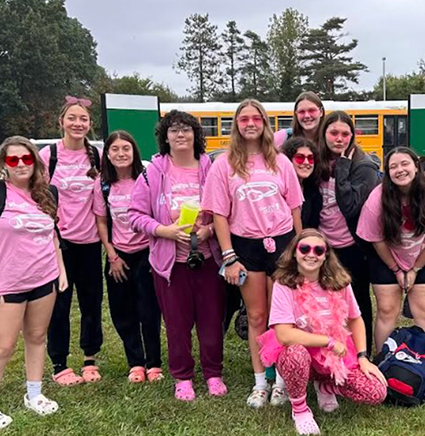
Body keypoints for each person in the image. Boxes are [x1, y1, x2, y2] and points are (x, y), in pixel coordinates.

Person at [0, 136, 68, 429]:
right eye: (13, 160)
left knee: (37, 337)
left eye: (26, 159)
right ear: (3, 164)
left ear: (35, 161)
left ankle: (34, 394)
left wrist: (61, 272)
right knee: (3, 346)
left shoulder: (47, 194)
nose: (20, 164)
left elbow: (53, 236)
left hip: (44, 279)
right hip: (6, 282)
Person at [204, 99, 304, 409]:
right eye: (244, 118)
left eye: (256, 118)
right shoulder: (224, 164)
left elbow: (294, 208)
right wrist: (229, 256)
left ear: (264, 123)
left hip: (283, 243)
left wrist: (300, 250)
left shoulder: (281, 162)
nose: (250, 123)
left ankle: (283, 382)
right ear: (236, 125)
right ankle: (261, 381)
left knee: (282, 318)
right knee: (257, 316)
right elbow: (219, 214)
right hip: (245, 246)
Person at [129, 110, 225, 401]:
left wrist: (209, 230)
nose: (180, 135)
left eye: (186, 129)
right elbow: (134, 215)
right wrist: (163, 230)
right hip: (170, 263)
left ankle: (213, 373)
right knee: (177, 322)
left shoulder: (210, 168)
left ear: (196, 135)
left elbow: (226, 207)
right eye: (174, 130)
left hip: (207, 258)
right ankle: (182, 376)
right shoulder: (153, 172)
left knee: (211, 319)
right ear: (165, 137)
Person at [258, 230, 387, 435]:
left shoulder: (339, 283)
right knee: (295, 354)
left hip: (334, 356)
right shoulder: (284, 285)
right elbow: (284, 334)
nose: (312, 254)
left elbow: (355, 319)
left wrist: (363, 357)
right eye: (305, 248)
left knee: (376, 392)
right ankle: (300, 409)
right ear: (294, 253)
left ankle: (326, 387)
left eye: (318, 250)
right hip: (303, 353)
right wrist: (327, 341)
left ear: (326, 255)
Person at [356, 147, 425, 349]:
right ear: (387, 173)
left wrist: (415, 268)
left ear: (416, 166)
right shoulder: (377, 199)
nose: (400, 170)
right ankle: (383, 362)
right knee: (387, 310)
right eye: (393, 166)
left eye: (405, 163)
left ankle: (423, 362)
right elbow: (376, 240)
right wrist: (397, 270)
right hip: (387, 256)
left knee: (424, 310)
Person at [40, 96, 104, 386]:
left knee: (91, 302)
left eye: (83, 119)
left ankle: (90, 358)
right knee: (60, 304)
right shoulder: (48, 156)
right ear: (61, 122)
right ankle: (59, 364)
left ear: (89, 125)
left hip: (90, 242)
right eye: (72, 118)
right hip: (59, 244)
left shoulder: (97, 156)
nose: (78, 123)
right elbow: (35, 195)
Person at [307, 111, 380, 354]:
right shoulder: (316, 161)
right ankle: (330, 351)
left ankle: (362, 353)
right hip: (324, 246)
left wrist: (344, 165)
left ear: (353, 136)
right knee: (326, 302)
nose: (339, 139)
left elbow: (349, 206)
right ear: (324, 133)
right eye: (333, 133)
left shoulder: (364, 166)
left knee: (356, 303)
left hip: (353, 247)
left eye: (345, 134)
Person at [94, 131, 163, 384]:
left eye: (126, 148)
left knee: (150, 311)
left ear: (134, 152)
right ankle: (135, 362)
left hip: (147, 252)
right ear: (107, 154)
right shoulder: (102, 183)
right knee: (122, 311)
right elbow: (101, 221)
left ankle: (154, 363)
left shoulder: (146, 178)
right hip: (118, 256)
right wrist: (111, 255)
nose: (120, 154)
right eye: (115, 149)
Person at [281, 137, 321, 235]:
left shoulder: (313, 190)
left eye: (311, 158)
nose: (306, 162)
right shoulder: (279, 190)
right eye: (300, 158)